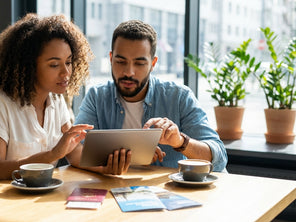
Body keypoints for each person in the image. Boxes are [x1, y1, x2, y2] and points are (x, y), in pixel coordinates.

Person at [72, 20, 228, 174]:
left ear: (153, 63)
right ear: (111, 58)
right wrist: (104, 168)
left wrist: (179, 141)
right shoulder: (97, 96)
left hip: (168, 194)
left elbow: (219, 158)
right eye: (120, 61)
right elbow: (74, 147)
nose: (129, 72)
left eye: (139, 63)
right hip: (114, 190)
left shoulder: (179, 97)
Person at [0, 13, 94, 187]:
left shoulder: (56, 99)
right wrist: (52, 154)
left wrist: (107, 167)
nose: (66, 73)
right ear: (29, 66)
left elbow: (74, 152)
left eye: (69, 62)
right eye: (54, 65)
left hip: (30, 196)